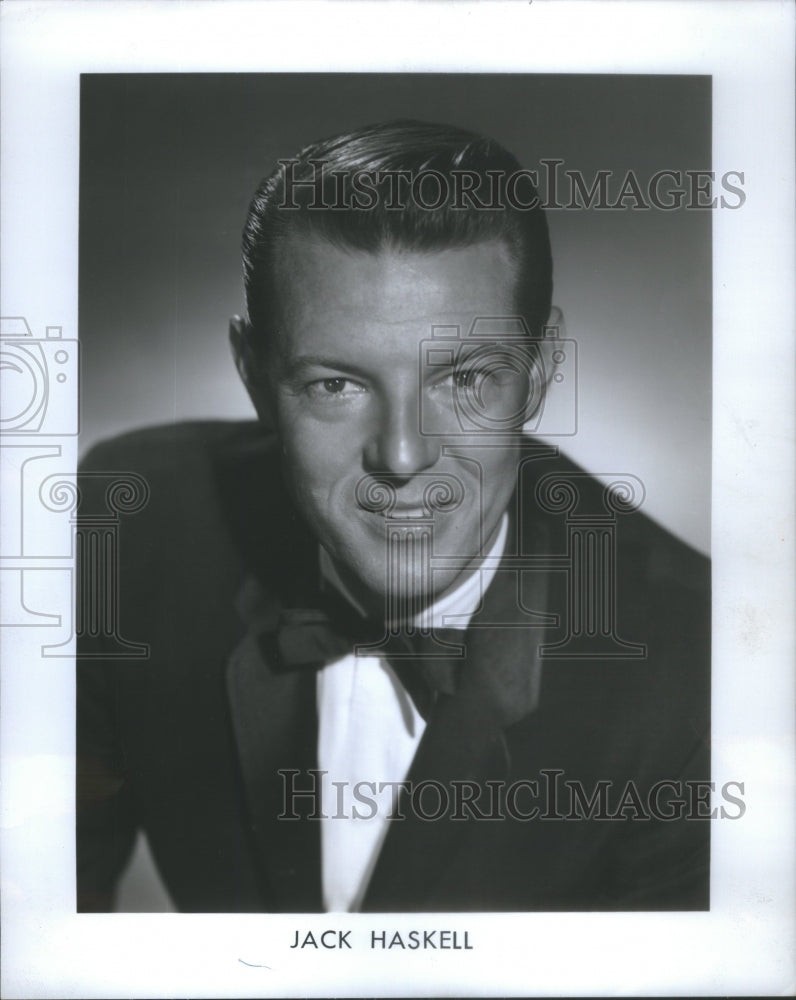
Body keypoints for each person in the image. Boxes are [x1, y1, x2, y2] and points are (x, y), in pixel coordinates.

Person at [77, 120, 710, 913]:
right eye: (336, 385)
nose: (403, 457)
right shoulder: (132, 527)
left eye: (466, 378)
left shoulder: (701, 679)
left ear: (543, 372)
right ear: (252, 373)